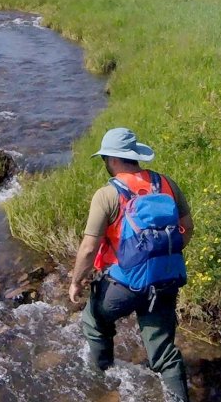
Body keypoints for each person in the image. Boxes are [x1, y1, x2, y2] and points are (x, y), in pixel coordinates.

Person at [68, 127, 194, 401]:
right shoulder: (167, 184)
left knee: (95, 322)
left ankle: (102, 379)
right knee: (164, 353)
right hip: (165, 281)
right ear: (135, 156)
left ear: (113, 160)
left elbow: (89, 248)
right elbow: (187, 228)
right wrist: (162, 256)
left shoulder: (107, 195)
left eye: (104, 159)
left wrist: (77, 281)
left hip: (123, 285)